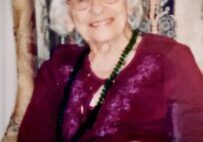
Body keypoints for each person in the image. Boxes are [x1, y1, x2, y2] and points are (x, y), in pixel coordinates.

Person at [18, 0, 203, 141]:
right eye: (82, 0)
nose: (97, 8)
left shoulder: (172, 58)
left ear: (128, 4)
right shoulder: (57, 69)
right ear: (68, 12)